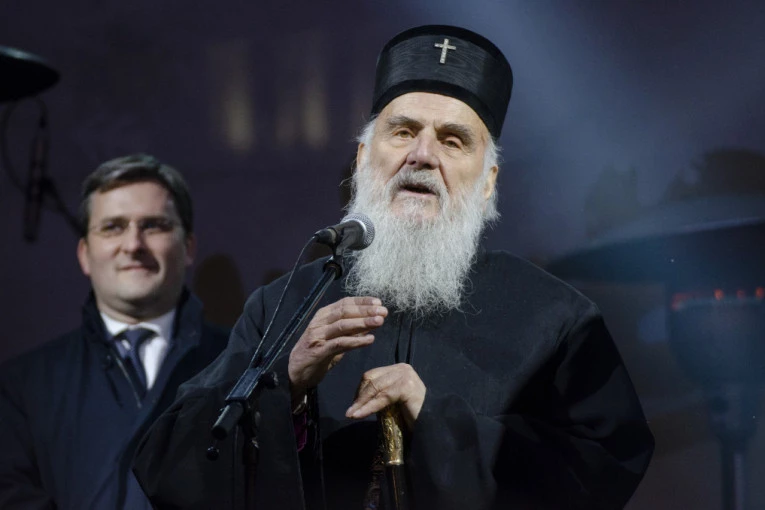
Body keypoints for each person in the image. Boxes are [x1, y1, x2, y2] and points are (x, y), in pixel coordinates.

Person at [134, 25, 654, 509]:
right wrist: (283, 383)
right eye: (403, 132)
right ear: (363, 157)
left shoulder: (556, 318)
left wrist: (435, 418)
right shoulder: (284, 308)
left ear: (489, 181)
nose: (422, 155)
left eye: (453, 140)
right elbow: (166, 467)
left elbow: (605, 469)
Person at [0, 154, 231, 509]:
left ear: (188, 248)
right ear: (84, 254)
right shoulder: (20, 387)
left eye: (153, 225)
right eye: (112, 227)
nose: (133, 245)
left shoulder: (242, 366)